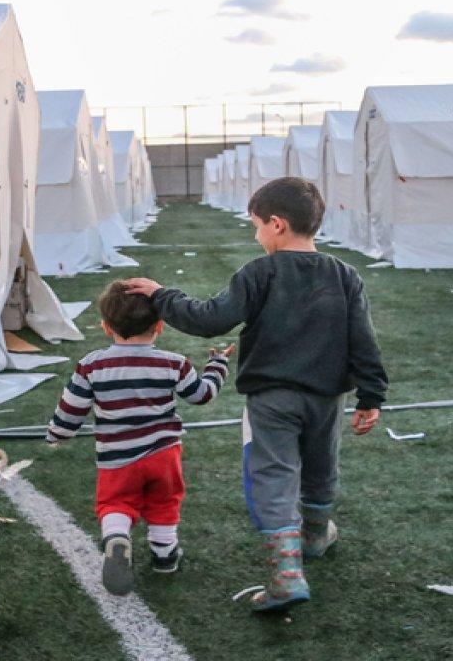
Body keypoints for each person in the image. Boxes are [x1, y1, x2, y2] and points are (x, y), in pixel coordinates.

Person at [124, 176, 388, 613]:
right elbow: (364, 340)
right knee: (321, 464)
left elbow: (211, 319)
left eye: (256, 226)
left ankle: (286, 575)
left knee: (274, 475)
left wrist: (162, 296)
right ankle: (316, 536)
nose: (256, 234)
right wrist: (371, 397)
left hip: (271, 399)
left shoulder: (259, 272)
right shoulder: (345, 275)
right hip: (327, 399)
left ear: (277, 225)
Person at [46, 280, 234, 596]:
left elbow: (71, 410)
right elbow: (202, 395)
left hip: (117, 456)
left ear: (106, 327)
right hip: (164, 455)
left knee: (116, 502)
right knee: (164, 502)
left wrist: (57, 433)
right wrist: (217, 365)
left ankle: (117, 538)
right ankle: (165, 555)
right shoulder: (175, 363)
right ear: (159, 326)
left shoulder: (92, 365)